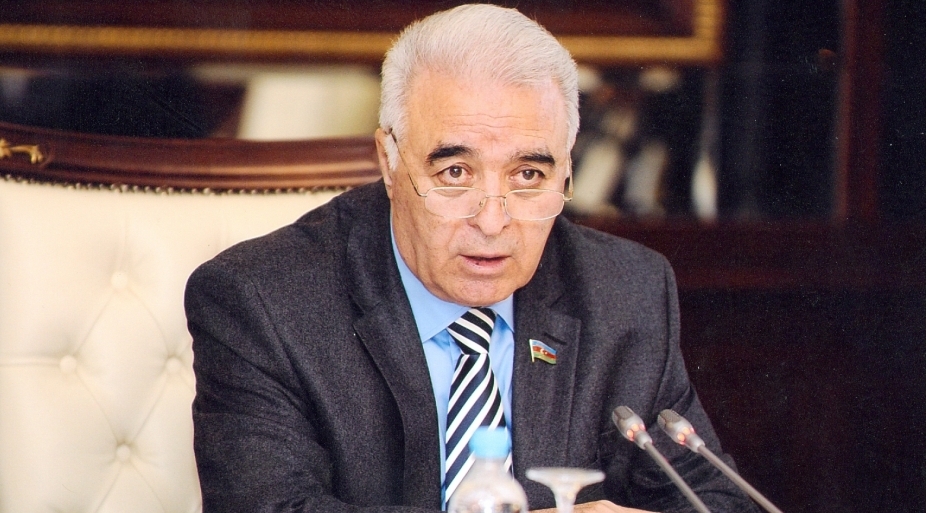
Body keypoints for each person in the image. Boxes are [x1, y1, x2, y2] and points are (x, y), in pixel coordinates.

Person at [185, 4, 757, 512]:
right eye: (455, 172)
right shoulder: (263, 302)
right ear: (389, 161)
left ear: (566, 171)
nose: (492, 220)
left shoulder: (626, 292)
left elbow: (714, 500)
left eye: (528, 175)